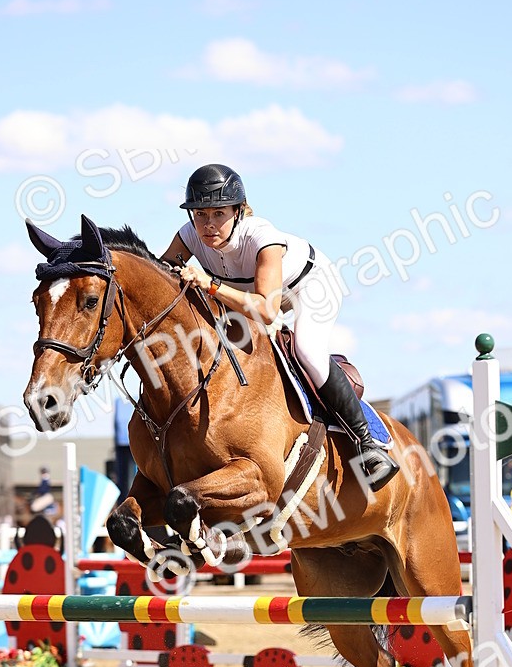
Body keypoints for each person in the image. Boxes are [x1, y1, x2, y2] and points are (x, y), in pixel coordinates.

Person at [160, 163, 399, 492]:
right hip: (250, 295)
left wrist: (211, 285)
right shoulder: (189, 235)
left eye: (218, 214)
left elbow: (267, 311)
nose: (208, 224)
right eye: (200, 214)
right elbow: (163, 276)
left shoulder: (262, 238)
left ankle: (366, 444)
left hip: (307, 286)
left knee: (307, 351)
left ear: (238, 211)